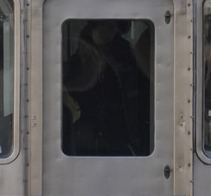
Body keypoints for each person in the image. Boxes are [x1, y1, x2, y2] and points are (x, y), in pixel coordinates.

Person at [62, 20, 150, 156]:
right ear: (92, 27)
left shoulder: (128, 58)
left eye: (111, 26)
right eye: (101, 25)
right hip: (84, 139)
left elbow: (142, 93)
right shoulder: (75, 64)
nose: (106, 31)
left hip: (121, 139)